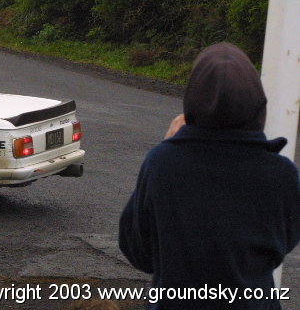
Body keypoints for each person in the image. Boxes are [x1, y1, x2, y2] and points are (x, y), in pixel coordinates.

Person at [119, 42, 300, 309]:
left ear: (193, 100)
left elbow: (138, 252)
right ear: (256, 103)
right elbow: (281, 247)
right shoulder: (281, 174)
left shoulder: (163, 164)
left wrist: (169, 143)